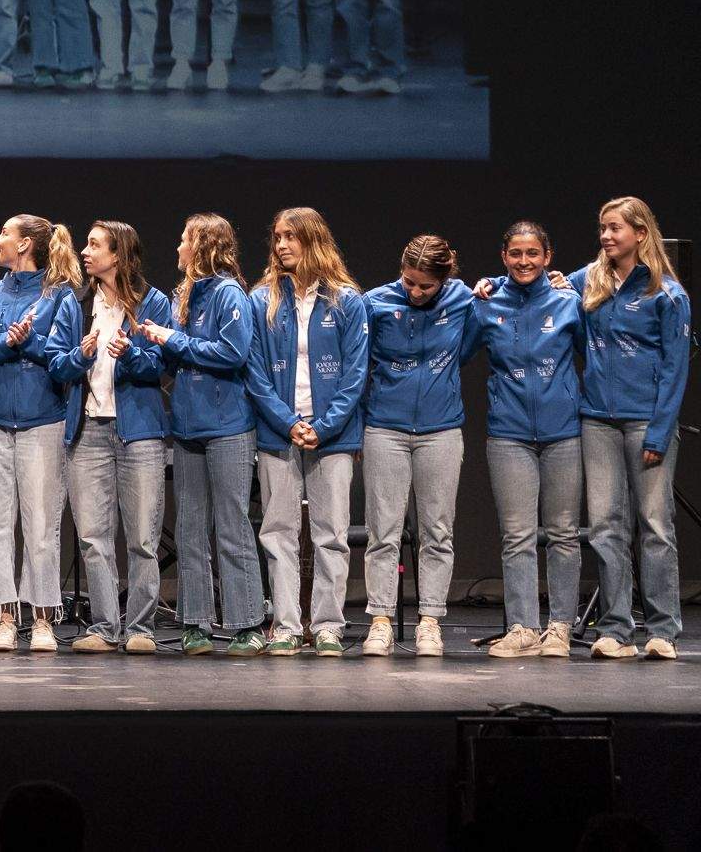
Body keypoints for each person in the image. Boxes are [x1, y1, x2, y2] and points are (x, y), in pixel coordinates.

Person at [134, 213, 265, 655]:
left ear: (203, 246)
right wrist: (146, 346)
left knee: (231, 525)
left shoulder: (230, 293)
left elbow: (232, 352)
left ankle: (248, 624)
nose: (177, 249)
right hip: (187, 427)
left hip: (227, 426)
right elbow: (172, 357)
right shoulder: (185, 294)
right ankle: (196, 624)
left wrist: (171, 339)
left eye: (183, 241)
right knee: (190, 527)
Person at [244, 207, 369, 658]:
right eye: (277, 236)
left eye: (290, 237)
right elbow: (254, 372)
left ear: (314, 240)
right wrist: (288, 422)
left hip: (333, 434)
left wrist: (325, 425)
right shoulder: (261, 300)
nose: (280, 245)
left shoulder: (347, 300)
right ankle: (286, 625)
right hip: (280, 432)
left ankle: (329, 625)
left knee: (331, 532)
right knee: (277, 530)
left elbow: (356, 372)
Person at [570, 198, 688, 659]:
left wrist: (659, 434)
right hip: (598, 420)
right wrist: (488, 285)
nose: (605, 235)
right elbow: (538, 285)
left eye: (614, 228)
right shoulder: (588, 281)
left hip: (646, 421)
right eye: (601, 227)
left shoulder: (667, 294)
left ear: (640, 233)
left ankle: (662, 629)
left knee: (655, 525)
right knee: (604, 527)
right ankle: (616, 628)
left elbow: (676, 370)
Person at [51, 220, 171, 653]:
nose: (85, 251)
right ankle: (104, 626)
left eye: (95, 245)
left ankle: (140, 628)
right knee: (93, 536)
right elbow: (54, 363)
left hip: (138, 432)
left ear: (119, 254)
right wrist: (77, 356)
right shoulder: (76, 304)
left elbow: (161, 364)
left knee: (142, 537)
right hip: (89, 432)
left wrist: (132, 355)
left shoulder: (153, 301)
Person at [470, 221, 585, 659]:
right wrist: (487, 287)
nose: (524, 261)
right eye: (516, 254)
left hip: (563, 433)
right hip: (509, 433)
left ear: (547, 256)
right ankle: (522, 627)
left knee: (562, 534)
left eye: (532, 253)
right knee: (516, 535)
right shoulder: (486, 304)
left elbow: (594, 352)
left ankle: (559, 628)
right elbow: (459, 351)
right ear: (504, 257)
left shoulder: (568, 302)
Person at [360, 234, 478, 657]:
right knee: (383, 532)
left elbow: (507, 293)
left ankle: (430, 621)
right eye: (409, 282)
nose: (415, 291)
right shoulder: (374, 303)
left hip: (441, 430)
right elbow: (358, 366)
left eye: (425, 286)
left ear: (445, 279)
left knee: (437, 531)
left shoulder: (464, 299)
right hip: (384, 429)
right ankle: (380, 621)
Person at [0, 215, 79, 652]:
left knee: (41, 525)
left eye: (5, 234)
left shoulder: (60, 297)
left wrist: (27, 343)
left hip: (43, 420)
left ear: (26, 244)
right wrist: (5, 344)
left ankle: (44, 618)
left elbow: (66, 360)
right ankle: (4, 617)